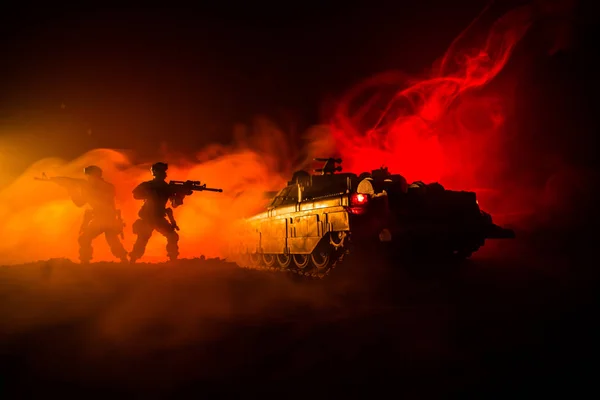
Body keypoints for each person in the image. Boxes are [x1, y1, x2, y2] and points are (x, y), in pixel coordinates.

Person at [129, 162, 191, 263]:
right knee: (142, 239)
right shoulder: (148, 185)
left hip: (158, 217)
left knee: (172, 236)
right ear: (155, 172)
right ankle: (132, 260)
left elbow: (175, 204)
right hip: (148, 217)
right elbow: (135, 195)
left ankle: (173, 259)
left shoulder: (167, 187)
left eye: (164, 171)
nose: (164, 174)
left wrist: (181, 194)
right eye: (161, 171)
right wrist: (151, 193)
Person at [73, 165, 129, 263]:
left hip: (105, 218)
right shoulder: (94, 187)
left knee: (85, 238)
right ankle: (123, 258)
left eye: (90, 176)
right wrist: (72, 191)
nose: (88, 178)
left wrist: (84, 190)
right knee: (112, 240)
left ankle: (85, 260)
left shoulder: (106, 187)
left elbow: (103, 199)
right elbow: (79, 203)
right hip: (103, 218)